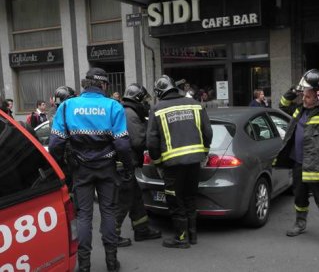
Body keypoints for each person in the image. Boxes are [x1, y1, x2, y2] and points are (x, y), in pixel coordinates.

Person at [49, 68, 134, 272]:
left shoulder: (68, 105)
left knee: (84, 216)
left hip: (80, 169)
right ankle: (112, 263)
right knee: (108, 212)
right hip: (107, 168)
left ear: (85, 84)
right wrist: (129, 167)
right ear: (104, 85)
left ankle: (84, 265)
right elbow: (122, 145)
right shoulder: (113, 106)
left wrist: (62, 167)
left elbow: (55, 145)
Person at [276, 69, 319, 247]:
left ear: (317, 97)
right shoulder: (299, 110)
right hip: (298, 163)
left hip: (316, 165)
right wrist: (294, 90)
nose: (303, 99)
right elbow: (282, 105)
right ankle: (300, 223)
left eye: (307, 96)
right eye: (303, 96)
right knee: (299, 196)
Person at [147, 75, 213, 249]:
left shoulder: (157, 109)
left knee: (176, 202)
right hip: (194, 162)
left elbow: (151, 142)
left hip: (172, 165)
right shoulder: (196, 105)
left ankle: (181, 238)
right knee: (190, 197)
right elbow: (208, 132)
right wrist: (204, 153)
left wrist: (158, 161)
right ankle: (192, 235)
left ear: (159, 92)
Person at [116, 83, 161, 247]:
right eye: (144, 100)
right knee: (123, 201)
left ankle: (142, 230)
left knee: (135, 197)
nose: (146, 104)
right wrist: (152, 135)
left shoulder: (127, 111)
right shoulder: (130, 114)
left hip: (126, 165)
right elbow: (138, 140)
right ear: (137, 100)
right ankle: (112, 235)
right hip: (124, 166)